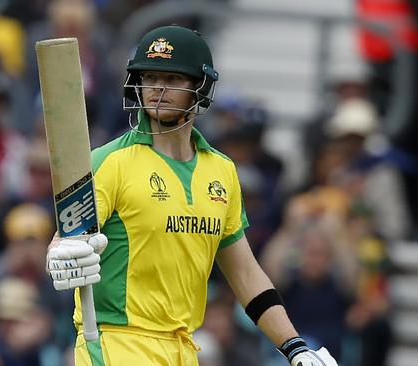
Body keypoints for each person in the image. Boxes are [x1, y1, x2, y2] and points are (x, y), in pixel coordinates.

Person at [45, 25, 339, 366]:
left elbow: (244, 273)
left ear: (199, 87)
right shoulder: (109, 162)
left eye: (172, 79)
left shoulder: (221, 170)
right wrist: (62, 256)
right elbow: (64, 242)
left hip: (185, 348)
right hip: (117, 344)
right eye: (150, 77)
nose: (157, 89)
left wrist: (295, 346)